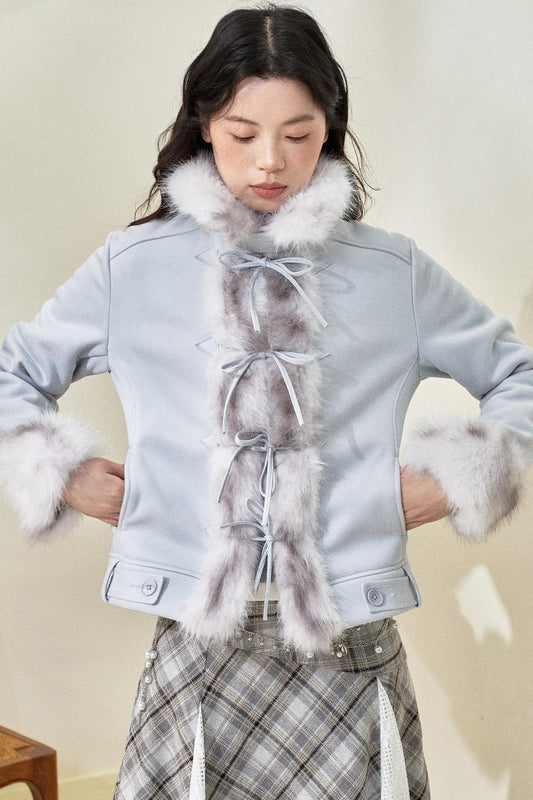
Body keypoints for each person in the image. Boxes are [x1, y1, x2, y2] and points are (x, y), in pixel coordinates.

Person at [1, 4, 532, 799]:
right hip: (196, 641)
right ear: (204, 124)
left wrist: (456, 477)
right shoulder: (132, 267)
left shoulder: (392, 273)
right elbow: (12, 376)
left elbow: (517, 377)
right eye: (242, 133)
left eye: (298, 133)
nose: (269, 162)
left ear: (330, 129)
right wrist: (61, 472)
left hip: (348, 644)